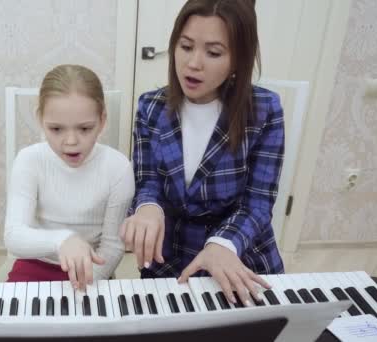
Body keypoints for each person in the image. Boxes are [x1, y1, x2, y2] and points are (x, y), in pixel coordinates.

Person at [120, 0, 284, 307]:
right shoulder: (150, 106)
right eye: (185, 46)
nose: (193, 63)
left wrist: (223, 243)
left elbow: (259, 202)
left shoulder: (264, 110)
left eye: (213, 52)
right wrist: (147, 207)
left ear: (238, 60)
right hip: (169, 260)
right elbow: (148, 181)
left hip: (238, 257)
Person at [4, 64, 135, 290]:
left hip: (92, 269)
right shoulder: (29, 160)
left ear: (102, 120)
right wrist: (62, 240)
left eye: (84, 129)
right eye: (56, 129)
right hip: (36, 262)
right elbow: (14, 236)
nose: (71, 141)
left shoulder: (118, 168)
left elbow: (112, 248)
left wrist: (85, 281)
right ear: (40, 120)